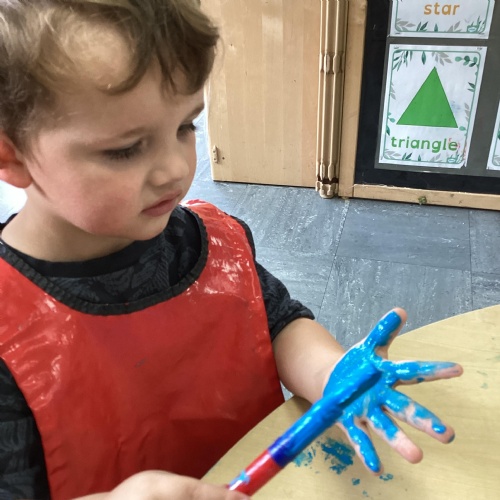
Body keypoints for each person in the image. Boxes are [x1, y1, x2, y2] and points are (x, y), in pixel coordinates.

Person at [0, 1, 462, 499]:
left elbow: (278, 322)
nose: (176, 169)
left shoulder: (214, 241)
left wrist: (332, 374)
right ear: (12, 157)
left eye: (185, 127)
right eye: (126, 149)